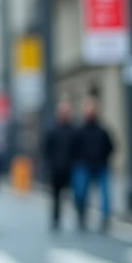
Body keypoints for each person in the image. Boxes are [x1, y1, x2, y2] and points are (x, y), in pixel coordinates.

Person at [72, 96, 115, 232]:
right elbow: (74, 149)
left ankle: (105, 218)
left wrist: (103, 157)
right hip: (84, 166)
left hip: (101, 165)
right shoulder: (79, 131)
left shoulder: (102, 130)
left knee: (105, 194)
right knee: (81, 193)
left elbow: (111, 147)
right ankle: (81, 214)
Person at [43, 98, 79, 231]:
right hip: (56, 168)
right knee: (56, 196)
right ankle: (56, 219)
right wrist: (49, 165)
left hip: (71, 168)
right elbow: (46, 149)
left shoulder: (74, 130)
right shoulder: (52, 130)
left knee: (76, 194)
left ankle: (80, 218)